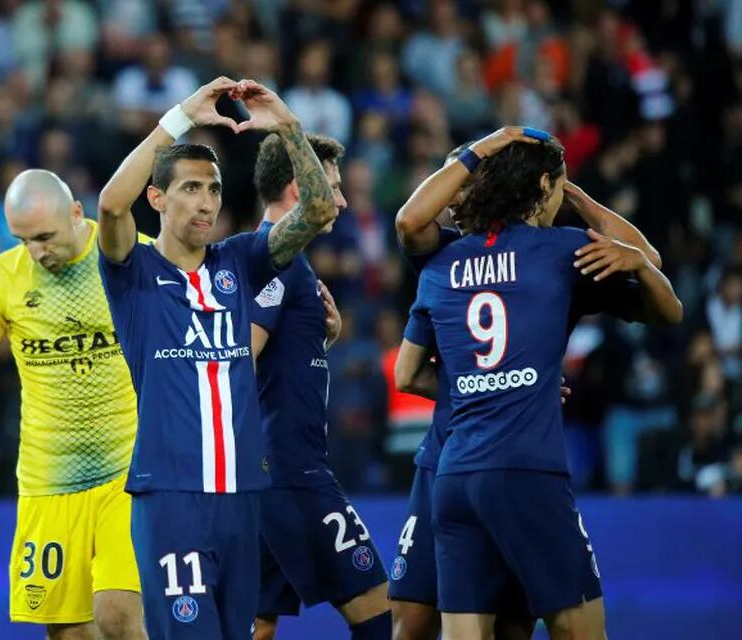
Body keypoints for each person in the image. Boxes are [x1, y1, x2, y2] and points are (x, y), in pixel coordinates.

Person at [395, 132, 681, 640]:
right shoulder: (561, 251)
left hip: (453, 472)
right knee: (582, 632)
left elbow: (408, 373)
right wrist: (583, 202)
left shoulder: (440, 263)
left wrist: (485, 386)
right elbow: (662, 294)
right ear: (545, 184)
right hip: (525, 469)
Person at [96, 76, 337, 639]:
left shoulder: (241, 260)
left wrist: (291, 129)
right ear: (157, 198)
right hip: (172, 494)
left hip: (242, 495)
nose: (207, 202)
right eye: (191, 188)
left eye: (214, 188)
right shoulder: (135, 273)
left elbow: (319, 208)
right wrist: (181, 116)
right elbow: (110, 203)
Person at [0, 168, 148, 640]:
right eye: (22, 239)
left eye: (44, 237)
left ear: (77, 213)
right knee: (70, 633)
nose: (35, 252)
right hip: (47, 480)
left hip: (130, 471)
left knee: (118, 614)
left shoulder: (133, 258)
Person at [250, 132, 392, 640]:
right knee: (378, 612)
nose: (342, 200)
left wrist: (316, 341)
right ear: (298, 187)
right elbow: (235, 358)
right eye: (331, 186)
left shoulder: (279, 262)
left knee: (259, 623)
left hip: (267, 468)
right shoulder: (279, 262)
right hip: (293, 471)